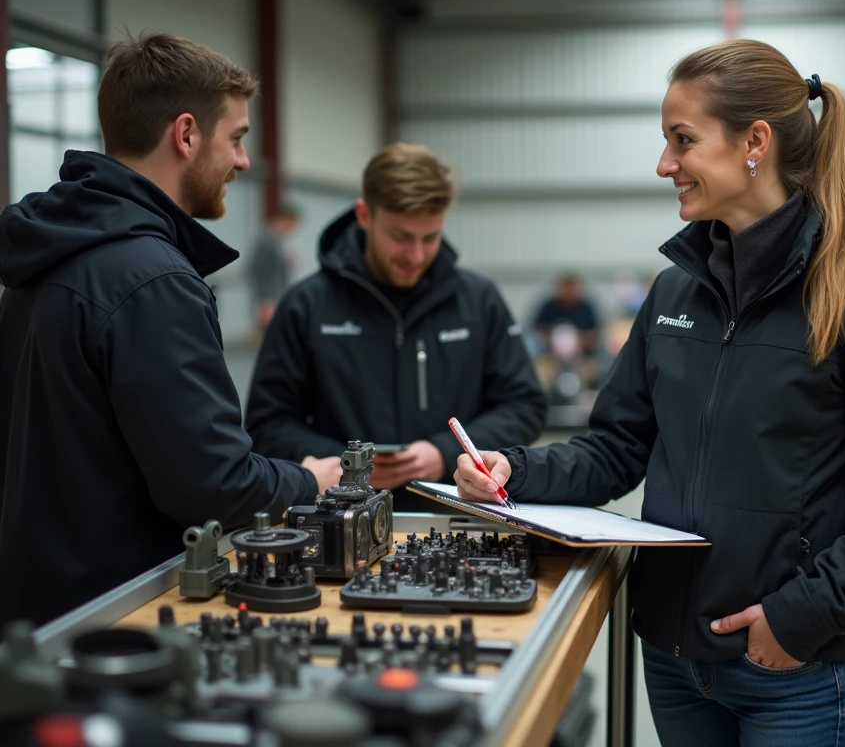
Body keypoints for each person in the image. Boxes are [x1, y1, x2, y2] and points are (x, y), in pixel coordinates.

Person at [452, 39, 845, 746]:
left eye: (682, 141)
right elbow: (617, 446)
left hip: (795, 669)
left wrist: (805, 610)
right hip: (672, 655)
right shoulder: (673, 291)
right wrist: (516, 469)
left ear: (755, 142)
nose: (665, 165)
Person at [0, 33, 343, 630]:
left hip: (37, 612)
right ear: (185, 134)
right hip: (117, 619)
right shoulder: (152, 281)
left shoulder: (47, 254)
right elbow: (217, 487)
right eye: (235, 138)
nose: (242, 161)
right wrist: (307, 480)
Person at [244, 143, 546, 503]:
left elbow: (524, 406)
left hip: (459, 514)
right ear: (364, 215)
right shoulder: (306, 306)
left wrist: (442, 454)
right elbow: (267, 426)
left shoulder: (478, 301)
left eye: (430, 237)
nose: (416, 255)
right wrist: (351, 463)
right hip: (342, 518)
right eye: (401, 237)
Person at [249, 204, 301, 334]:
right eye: (291, 224)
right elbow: (256, 270)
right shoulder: (266, 240)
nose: (292, 229)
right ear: (283, 220)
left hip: (277, 298)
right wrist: (264, 300)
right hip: (269, 301)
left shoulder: (278, 241)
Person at [534, 273, 602, 355]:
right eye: (566, 288)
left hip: (581, 352)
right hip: (550, 351)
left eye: (572, 288)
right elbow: (538, 330)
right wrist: (554, 341)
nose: (569, 292)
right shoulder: (548, 307)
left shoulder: (586, 308)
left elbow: (594, 333)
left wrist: (579, 342)